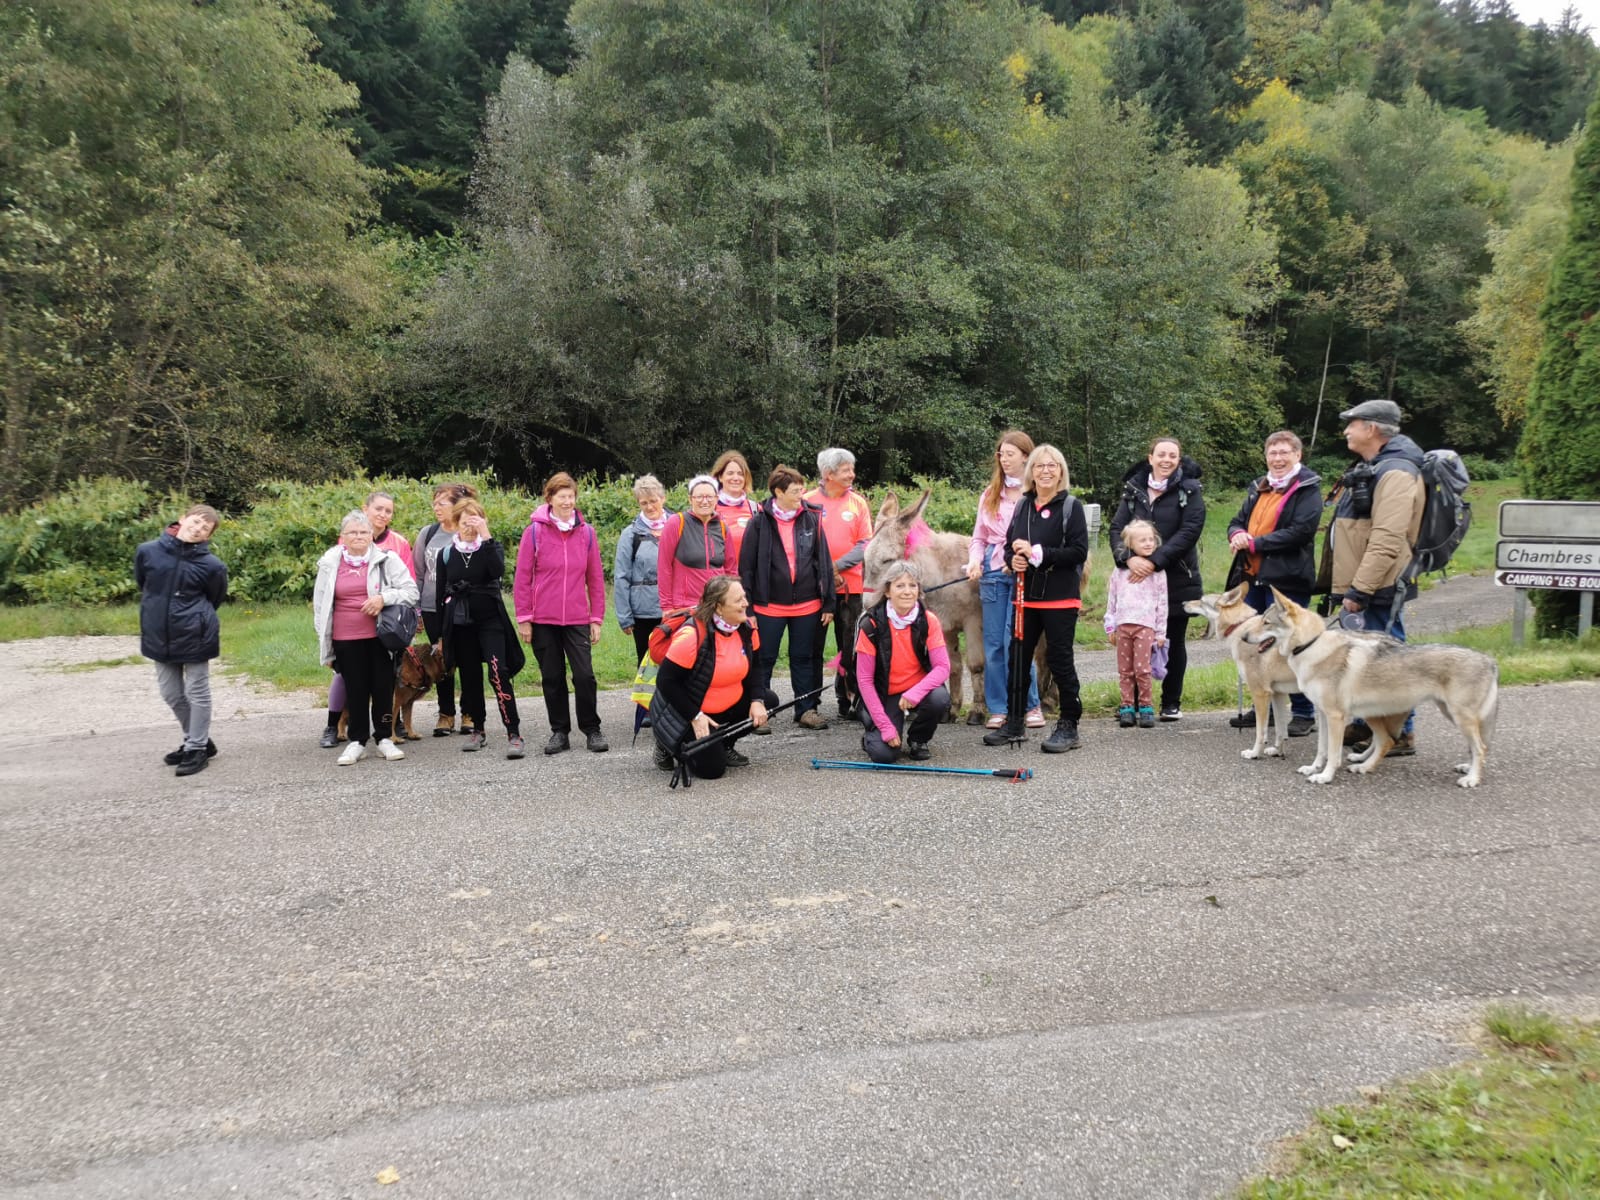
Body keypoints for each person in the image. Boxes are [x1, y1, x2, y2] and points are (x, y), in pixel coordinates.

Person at [1325, 398, 1426, 755]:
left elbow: (1387, 538)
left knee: (1389, 659)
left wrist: (1359, 590)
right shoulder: (1376, 465)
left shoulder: (1397, 471)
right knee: (1365, 657)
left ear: (1371, 428)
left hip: (1380, 583)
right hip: (1367, 581)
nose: (1346, 431)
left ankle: (1399, 733)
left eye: (1352, 424)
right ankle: (1368, 723)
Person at [982, 445, 1087, 752]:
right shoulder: (1023, 506)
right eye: (1040, 466)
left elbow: (1078, 552)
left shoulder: (1071, 507)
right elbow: (1008, 546)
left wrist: (1038, 554)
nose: (1045, 471)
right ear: (1031, 472)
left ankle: (1069, 725)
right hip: (1025, 598)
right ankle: (1014, 722)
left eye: (1052, 465)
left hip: (1060, 598)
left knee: (1059, 660)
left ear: (1061, 471)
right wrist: (1013, 559)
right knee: (1017, 660)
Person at [1225, 431, 1322, 738]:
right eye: (1272, 453)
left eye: (1284, 452)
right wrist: (1237, 535)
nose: (1277, 459)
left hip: (1287, 580)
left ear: (1297, 455)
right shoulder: (1260, 486)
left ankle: (1304, 712)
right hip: (1253, 578)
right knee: (1255, 644)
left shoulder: (1307, 488)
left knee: (1292, 645)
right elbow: (1236, 521)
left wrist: (1255, 544)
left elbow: (1301, 531)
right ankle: (1262, 706)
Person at [1108, 436, 1206, 721]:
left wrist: (1154, 561)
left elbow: (1190, 530)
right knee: (1136, 644)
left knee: (1171, 640)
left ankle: (1171, 702)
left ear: (1179, 460)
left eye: (1172, 456)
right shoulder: (1133, 489)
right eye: (1161, 454)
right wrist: (1128, 558)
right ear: (1150, 458)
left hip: (1176, 577)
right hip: (1136, 582)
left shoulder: (1189, 490)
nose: (1166, 460)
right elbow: (1116, 529)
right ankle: (1136, 703)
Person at [312, 510, 418, 766]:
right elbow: (320, 604)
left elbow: (411, 591)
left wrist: (383, 598)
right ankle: (357, 741)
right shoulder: (329, 563)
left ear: (371, 535)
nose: (358, 536)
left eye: (363, 532)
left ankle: (384, 738)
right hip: (344, 637)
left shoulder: (387, 560)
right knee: (355, 689)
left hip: (381, 637)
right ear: (343, 536)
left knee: (383, 689)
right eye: (352, 532)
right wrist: (325, 643)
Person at [514, 472, 608, 755]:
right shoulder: (534, 532)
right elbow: (522, 578)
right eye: (561, 496)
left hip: (577, 618)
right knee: (552, 677)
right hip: (543, 619)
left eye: (571, 496)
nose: (567, 502)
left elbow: (595, 578)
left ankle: (592, 729)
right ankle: (559, 732)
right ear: (550, 498)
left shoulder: (587, 533)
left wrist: (596, 618)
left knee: (584, 676)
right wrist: (524, 618)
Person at [738, 464, 836, 730]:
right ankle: (760, 712)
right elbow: (746, 568)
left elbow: (823, 561)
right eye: (795, 491)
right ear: (778, 492)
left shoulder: (811, 518)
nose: (801, 495)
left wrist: (828, 602)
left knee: (804, 658)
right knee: (764, 659)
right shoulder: (758, 522)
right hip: (768, 606)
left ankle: (806, 709)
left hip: (807, 605)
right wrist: (747, 609)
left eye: (801, 490)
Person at [650, 576, 774, 782]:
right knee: (712, 771)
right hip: (689, 712)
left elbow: (756, 669)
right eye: (738, 600)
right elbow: (665, 682)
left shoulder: (747, 629)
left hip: (726, 706)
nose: (746, 603)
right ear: (718, 607)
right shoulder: (692, 635)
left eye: (745, 597)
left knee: (768, 701)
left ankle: (723, 744)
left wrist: (757, 700)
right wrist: (695, 716)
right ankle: (667, 743)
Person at [135, 505, 228, 777]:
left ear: (208, 536)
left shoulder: (212, 565)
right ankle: (199, 739)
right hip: (158, 633)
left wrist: (193, 617)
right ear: (183, 519)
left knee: (196, 692)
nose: (197, 529)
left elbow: (214, 598)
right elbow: (144, 585)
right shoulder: (147, 551)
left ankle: (196, 747)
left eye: (205, 528)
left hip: (196, 634)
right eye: (195, 522)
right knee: (171, 693)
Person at [965, 430, 1044, 732]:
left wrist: (1021, 556)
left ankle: (1030, 704)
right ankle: (998, 707)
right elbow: (979, 537)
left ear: (1026, 456)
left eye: (1010, 454)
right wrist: (975, 561)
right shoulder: (990, 493)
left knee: (1019, 640)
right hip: (993, 572)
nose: (1004, 459)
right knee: (994, 643)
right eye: (1001, 454)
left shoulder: (1036, 492)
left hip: (1025, 571)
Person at [439, 497, 527, 757]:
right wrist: (440, 634)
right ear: (456, 523)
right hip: (461, 624)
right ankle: (478, 729)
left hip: (491, 621)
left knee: (498, 673)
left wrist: (486, 535)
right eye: (464, 522)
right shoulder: (447, 553)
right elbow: (440, 593)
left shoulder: (490, 546)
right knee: (470, 678)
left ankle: (514, 732)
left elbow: (497, 570)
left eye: (474, 521)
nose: (469, 527)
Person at [854, 561, 951, 762]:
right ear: (887, 591)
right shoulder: (870, 624)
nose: (907, 591)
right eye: (900, 586)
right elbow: (864, 681)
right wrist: (885, 726)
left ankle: (918, 739)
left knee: (939, 698)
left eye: (912, 585)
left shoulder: (928, 620)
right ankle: (872, 735)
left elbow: (943, 667)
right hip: (885, 693)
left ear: (919, 590)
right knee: (884, 756)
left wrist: (916, 692)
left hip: (917, 689)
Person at [806, 448, 874, 720]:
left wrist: (835, 566)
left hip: (851, 587)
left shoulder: (858, 503)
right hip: (815, 587)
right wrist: (822, 571)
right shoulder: (807, 501)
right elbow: (799, 543)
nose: (852, 475)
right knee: (812, 647)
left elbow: (865, 543)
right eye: (846, 470)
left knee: (850, 646)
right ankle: (809, 703)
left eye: (851, 469)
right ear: (828, 473)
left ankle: (848, 697)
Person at [413, 481, 479, 737]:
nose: (436, 508)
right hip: (433, 608)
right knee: (441, 660)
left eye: (442, 503)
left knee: (468, 660)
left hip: (464, 607)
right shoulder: (428, 534)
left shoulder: (469, 531)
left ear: (457, 505)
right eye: (434, 503)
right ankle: (446, 714)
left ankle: (470, 713)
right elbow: (419, 573)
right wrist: (417, 609)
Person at [1103, 519, 1168, 729]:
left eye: (1151, 539)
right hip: (1123, 625)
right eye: (1142, 540)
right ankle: (1127, 707)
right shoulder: (1119, 571)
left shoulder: (1157, 572)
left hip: (1145, 626)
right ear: (1130, 545)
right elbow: (1112, 599)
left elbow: (1162, 603)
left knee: (1142, 669)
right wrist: (1110, 625)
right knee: (1125, 670)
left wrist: (1160, 632)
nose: (1148, 543)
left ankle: (1146, 706)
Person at [614, 475, 672, 664]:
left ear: (663, 499)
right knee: (647, 663)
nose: (649, 507)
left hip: (675, 609)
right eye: (644, 503)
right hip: (643, 612)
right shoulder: (629, 535)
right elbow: (621, 576)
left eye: (653, 501)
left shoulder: (679, 527)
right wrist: (625, 616)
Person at [657, 476, 733, 612]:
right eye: (699, 497)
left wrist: (731, 600)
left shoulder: (722, 527)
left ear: (716, 499)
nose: (705, 501)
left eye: (709, 497)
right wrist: (666, 606)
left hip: (717, 605)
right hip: (685, 607)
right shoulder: (677, 522)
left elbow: (731, 569)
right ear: (690, 499)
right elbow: (664, 567)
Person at [711, 451, 760, 572]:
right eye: (730, 473)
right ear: (720, 477)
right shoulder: (709, 509)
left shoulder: (756, 509)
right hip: (718, 579)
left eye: (740, 474)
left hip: (749, 579)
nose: (736, 478)